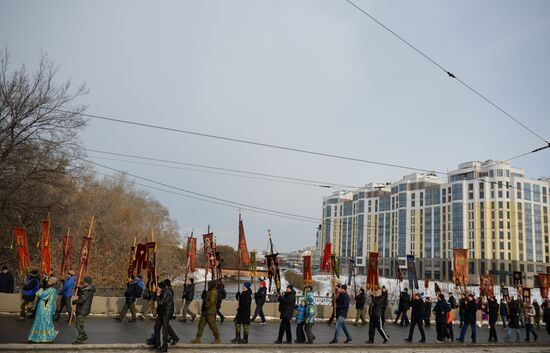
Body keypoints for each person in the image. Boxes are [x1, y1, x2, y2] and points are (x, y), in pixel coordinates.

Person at [28, 276, 58, 342]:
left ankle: (43, 337)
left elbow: (41, 295)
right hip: (48, 308)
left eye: (49, 281)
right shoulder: (54, 290)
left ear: (52, 282)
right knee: (45, 322)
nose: (47, 282)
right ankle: (42, 336)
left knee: (42, 322)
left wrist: (41, 289)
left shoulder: (50, 290)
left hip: (44, 309)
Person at [153, 279, 177, 352]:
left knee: (165, 330)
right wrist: (157, 295)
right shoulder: (163, 291)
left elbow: (161, 303)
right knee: (156, 327)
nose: (157, 288)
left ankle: (164, 347)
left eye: (158, 287)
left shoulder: (167, 292)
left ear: (162, 287)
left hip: (166, 312)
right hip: (162, 312)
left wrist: (157, 296)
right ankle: (157, 344)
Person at [72, 276, 95, 344]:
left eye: (84, 281)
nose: (82, 282)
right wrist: (78, 288)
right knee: (77, 324)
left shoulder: (87, 290)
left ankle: (80, 338)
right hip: (81, 309)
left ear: (86, 282)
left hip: (83, 310)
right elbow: (81, 292)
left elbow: (82, 299)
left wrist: (75, 301)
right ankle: (83, 335)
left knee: (79, 325)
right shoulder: (86, 289)